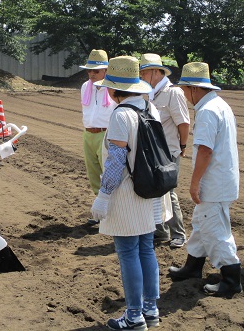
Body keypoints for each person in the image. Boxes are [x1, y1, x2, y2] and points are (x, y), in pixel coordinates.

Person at [90, 56, 165, 330]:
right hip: (149, 190)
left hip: (126, 192)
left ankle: (134, 316)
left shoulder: (121, 114)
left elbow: (116, 161)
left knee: (127, 252)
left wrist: (103, 195)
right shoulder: (150, 108)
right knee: (146, 248)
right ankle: (150, 309)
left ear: (113, 89)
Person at [169, 62, 242, 298]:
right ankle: (192, 267)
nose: (183, 94)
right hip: (221, 179)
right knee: (201, 225)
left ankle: (231, 279)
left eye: (184, 89)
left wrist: (194, 182)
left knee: (215, 231)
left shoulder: (208, 111)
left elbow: (205, 151)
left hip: (213, 183)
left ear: (193, 88)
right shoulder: (219, 105)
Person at [139, 53, 190, 248]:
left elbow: (183, 123)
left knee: (168, 192)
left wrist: (182, 146)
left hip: (168, 152)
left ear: (154, 72)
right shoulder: (149, 93)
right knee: (156, 191)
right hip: (153, 151)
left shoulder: (172, 93)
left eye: (144, 72)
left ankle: (178, 233)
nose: (142, 76)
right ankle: (160, 231)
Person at [80, 49, 117, 225]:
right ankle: (101, 210)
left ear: (106, 71)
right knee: (93, 174)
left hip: (106, 134)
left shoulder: (113, 89)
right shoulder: (85, 87)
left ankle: (112, 213)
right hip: (88, 133)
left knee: (108, 173)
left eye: (96, 71)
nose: (92, 74)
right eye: (90, 70)